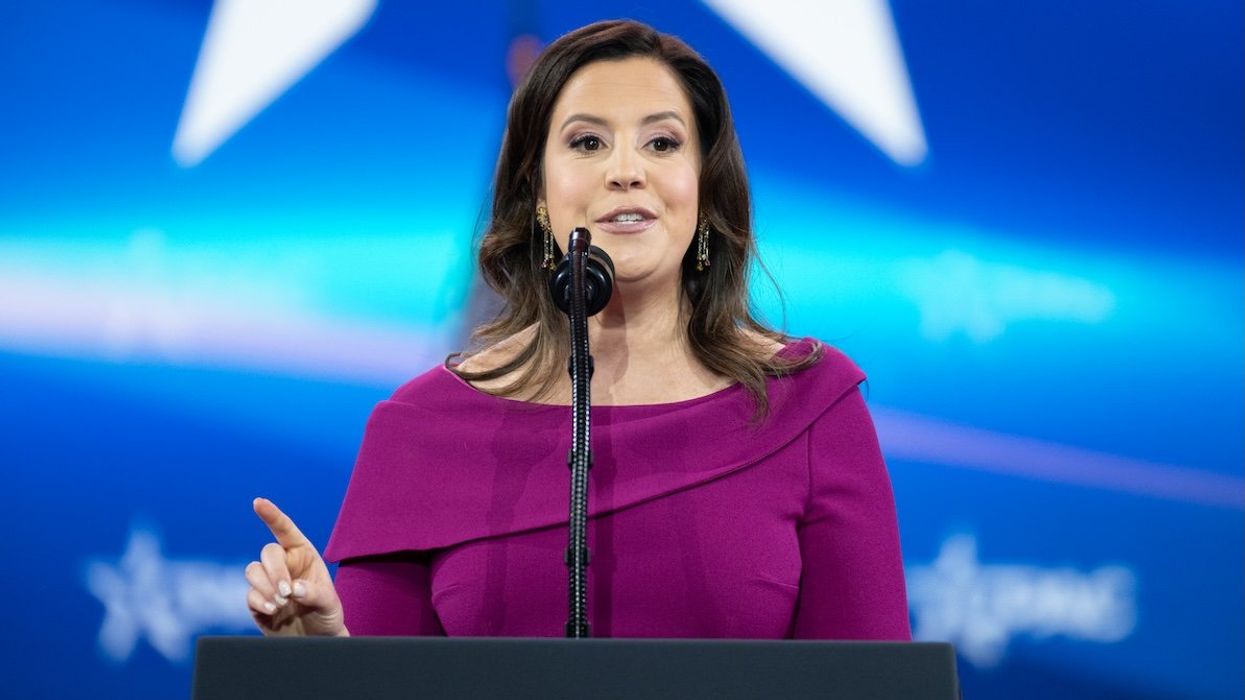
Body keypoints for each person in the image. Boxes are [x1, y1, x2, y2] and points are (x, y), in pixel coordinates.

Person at [245, 19, 910, 640]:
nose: (626, 169)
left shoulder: (808, 406)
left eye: (662, 142)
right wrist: (328, 661)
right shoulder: (422, 426)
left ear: (704, 187)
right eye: (587, 142)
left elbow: (870, 681)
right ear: (537, 191)